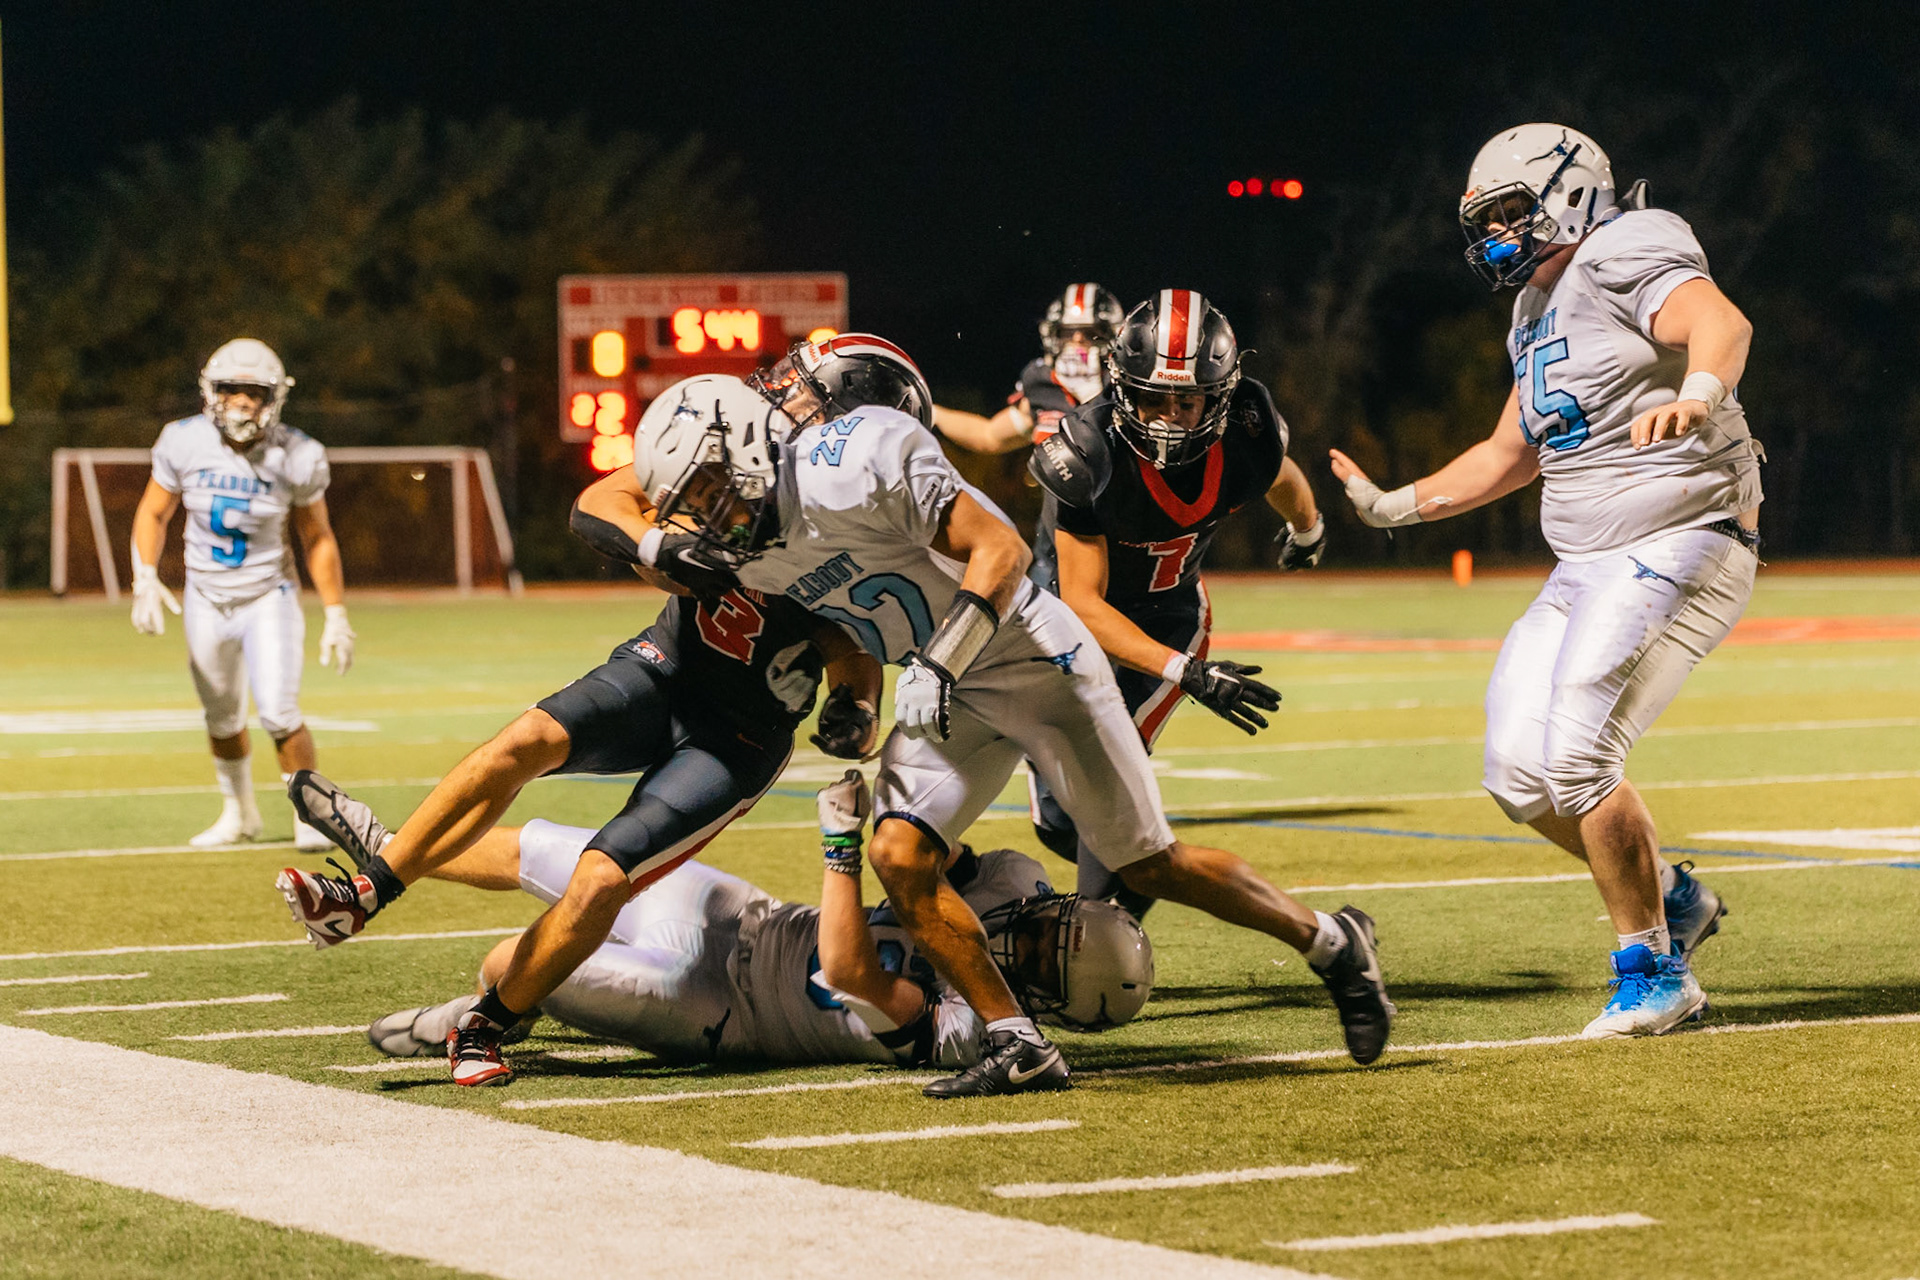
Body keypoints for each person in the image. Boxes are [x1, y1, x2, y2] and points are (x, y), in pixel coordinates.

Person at [588, 342, 1391, 1099]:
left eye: (711, 496)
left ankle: (1329, 941)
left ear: (752, 454)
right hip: (948, 687)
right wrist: (857, 698)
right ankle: (1017, 1041)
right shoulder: (750, 537)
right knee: (899, 856)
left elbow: (1002, 552)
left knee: (1146, 864)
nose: (706, 520)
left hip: (1034, 658)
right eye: (692, 506)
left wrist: (942, 659)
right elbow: (614, 512)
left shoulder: (861, 457)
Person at [274, 428, 885, 1084]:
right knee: (523, 740)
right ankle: (363, 893)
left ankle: (485, 1024)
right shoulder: (732, 449)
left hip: (737, 737)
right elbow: (599, 503)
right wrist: (661, 545)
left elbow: (853, 647)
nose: (790, 403)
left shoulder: (845, 529)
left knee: (601, 880)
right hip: (665, 667)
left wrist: (857, 704)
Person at [1332, 123, 1760, 1038]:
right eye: (1485, 222)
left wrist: (1699, 396)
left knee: (1577, 759)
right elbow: (1508, 452)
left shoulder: (1624, 246)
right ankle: (1673, 897)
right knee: (1517, 773)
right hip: (1586, 560)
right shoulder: (1535, 305)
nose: (1497, 235)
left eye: (1510, 213)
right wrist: (1391, 507)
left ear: (1571, 193)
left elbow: (1721, 324)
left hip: (1680, 534)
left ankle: (1654, 971)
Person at [363, 773, 1152, 1079]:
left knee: (510, 963)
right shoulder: (1016, 878)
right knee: (572, 853)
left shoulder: (972, 1036)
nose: (1023, 937)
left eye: (1039, 958)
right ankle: (386, 857)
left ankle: (479, 1017)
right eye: (1048, 924)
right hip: (748, 917)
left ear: (1050, 1004)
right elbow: (924, 854)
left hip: (722, 1010)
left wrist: (841, 847)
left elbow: (848, 972)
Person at [1026, 290, 1329, 916]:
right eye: (1152, 399)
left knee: (1107, 774)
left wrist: (1308, 530)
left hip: (1170, 615)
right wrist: (1187, 674)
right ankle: (1138, 886)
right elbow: (1083, 601)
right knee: (1058, 822)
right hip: (1076, 617)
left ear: (1219, 397)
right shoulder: (1088, 448)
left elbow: (1281, 476)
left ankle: (1098, 941)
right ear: (1121, 387)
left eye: (1187, 401)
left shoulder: (1246, 431)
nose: (1168, 418)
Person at [128, 338, 354, 851]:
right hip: (205, 597)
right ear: (211, 392)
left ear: (275, 398)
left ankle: (311, 814)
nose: (243, 402)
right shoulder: (183, 440)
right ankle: (239, 814)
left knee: (278, 711)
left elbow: (317, 536)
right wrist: (144, 573)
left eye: (255, 392)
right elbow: (153, 512)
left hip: (267, 594)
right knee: (222, 715)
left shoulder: (298, 454)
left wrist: (336, 612)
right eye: (232, 389)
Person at [930, 283, 1126, 455]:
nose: (1077, 342)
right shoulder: (1045, 386)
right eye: (1067, 333)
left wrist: (1097, 400)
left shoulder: (1127, 386)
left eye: (1090, 333)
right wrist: (934, 413)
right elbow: (989, 436)